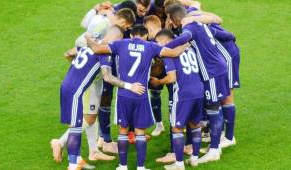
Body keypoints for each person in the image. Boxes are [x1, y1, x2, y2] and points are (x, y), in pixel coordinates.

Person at [86, 24, 188, 170]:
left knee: (123, 130)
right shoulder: (151, 46)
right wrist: (186, 44)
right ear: (146, 35)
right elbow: (173, 53)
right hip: (141, 94)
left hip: (124, 94)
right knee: (140, 131)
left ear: (132, 35)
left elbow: (96, 49)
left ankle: (122, 166)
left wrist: (88, 38)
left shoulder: (121, 44)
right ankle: (140, 167)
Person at [60, 25, 145, 170]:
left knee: (76, 125)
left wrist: (79, 73)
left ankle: (77, 160)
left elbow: (69, 54)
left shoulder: (89, 44)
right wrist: (130, 86)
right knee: (75, 128)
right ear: (116, 38)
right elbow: (108, 77)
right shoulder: (104, 53)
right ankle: (73, 165)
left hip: (67, 86)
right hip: (74, 92)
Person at [168, 4, 230, 164]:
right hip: (216, 68)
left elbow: (184, 37)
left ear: (174, 19)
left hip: (212, 72)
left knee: (213, 109)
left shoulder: (189, 27)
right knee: (214, 107)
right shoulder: (196, 22)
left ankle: (215, 149)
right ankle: (215, 146)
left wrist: (162, 48)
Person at [152, 29, 204, 169]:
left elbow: (172, 78)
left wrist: (158, 82)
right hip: (199, 90)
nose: (157, 45)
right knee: (195, 125)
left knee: (177, 128)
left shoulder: (169, 53)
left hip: (183, 93)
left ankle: (179, 163)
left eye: (157, 42)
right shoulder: (189, 49)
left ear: (164, 41)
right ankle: (194, 159)